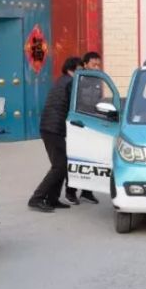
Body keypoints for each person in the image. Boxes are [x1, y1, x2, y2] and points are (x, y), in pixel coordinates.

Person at [29, 56, 83, 213]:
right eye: (79, 69)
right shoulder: (70, 82)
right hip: (54, 129)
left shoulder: (62, 80)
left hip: (51, 128)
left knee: (62, 165)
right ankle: (36, 198)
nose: (81, 73)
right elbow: (77, 105)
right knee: (59, 166)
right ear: (71, 69)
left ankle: (52, 199)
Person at [65, 51, 104, 205]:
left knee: (92, 158)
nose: (96, 67)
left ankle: (87, 192)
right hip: (79, 124)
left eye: (98, 65)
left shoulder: (98, 80)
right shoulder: (78, 80)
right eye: (93, 64)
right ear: (85, 64)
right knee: (77, 159)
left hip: (93, 124)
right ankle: (70, 191)